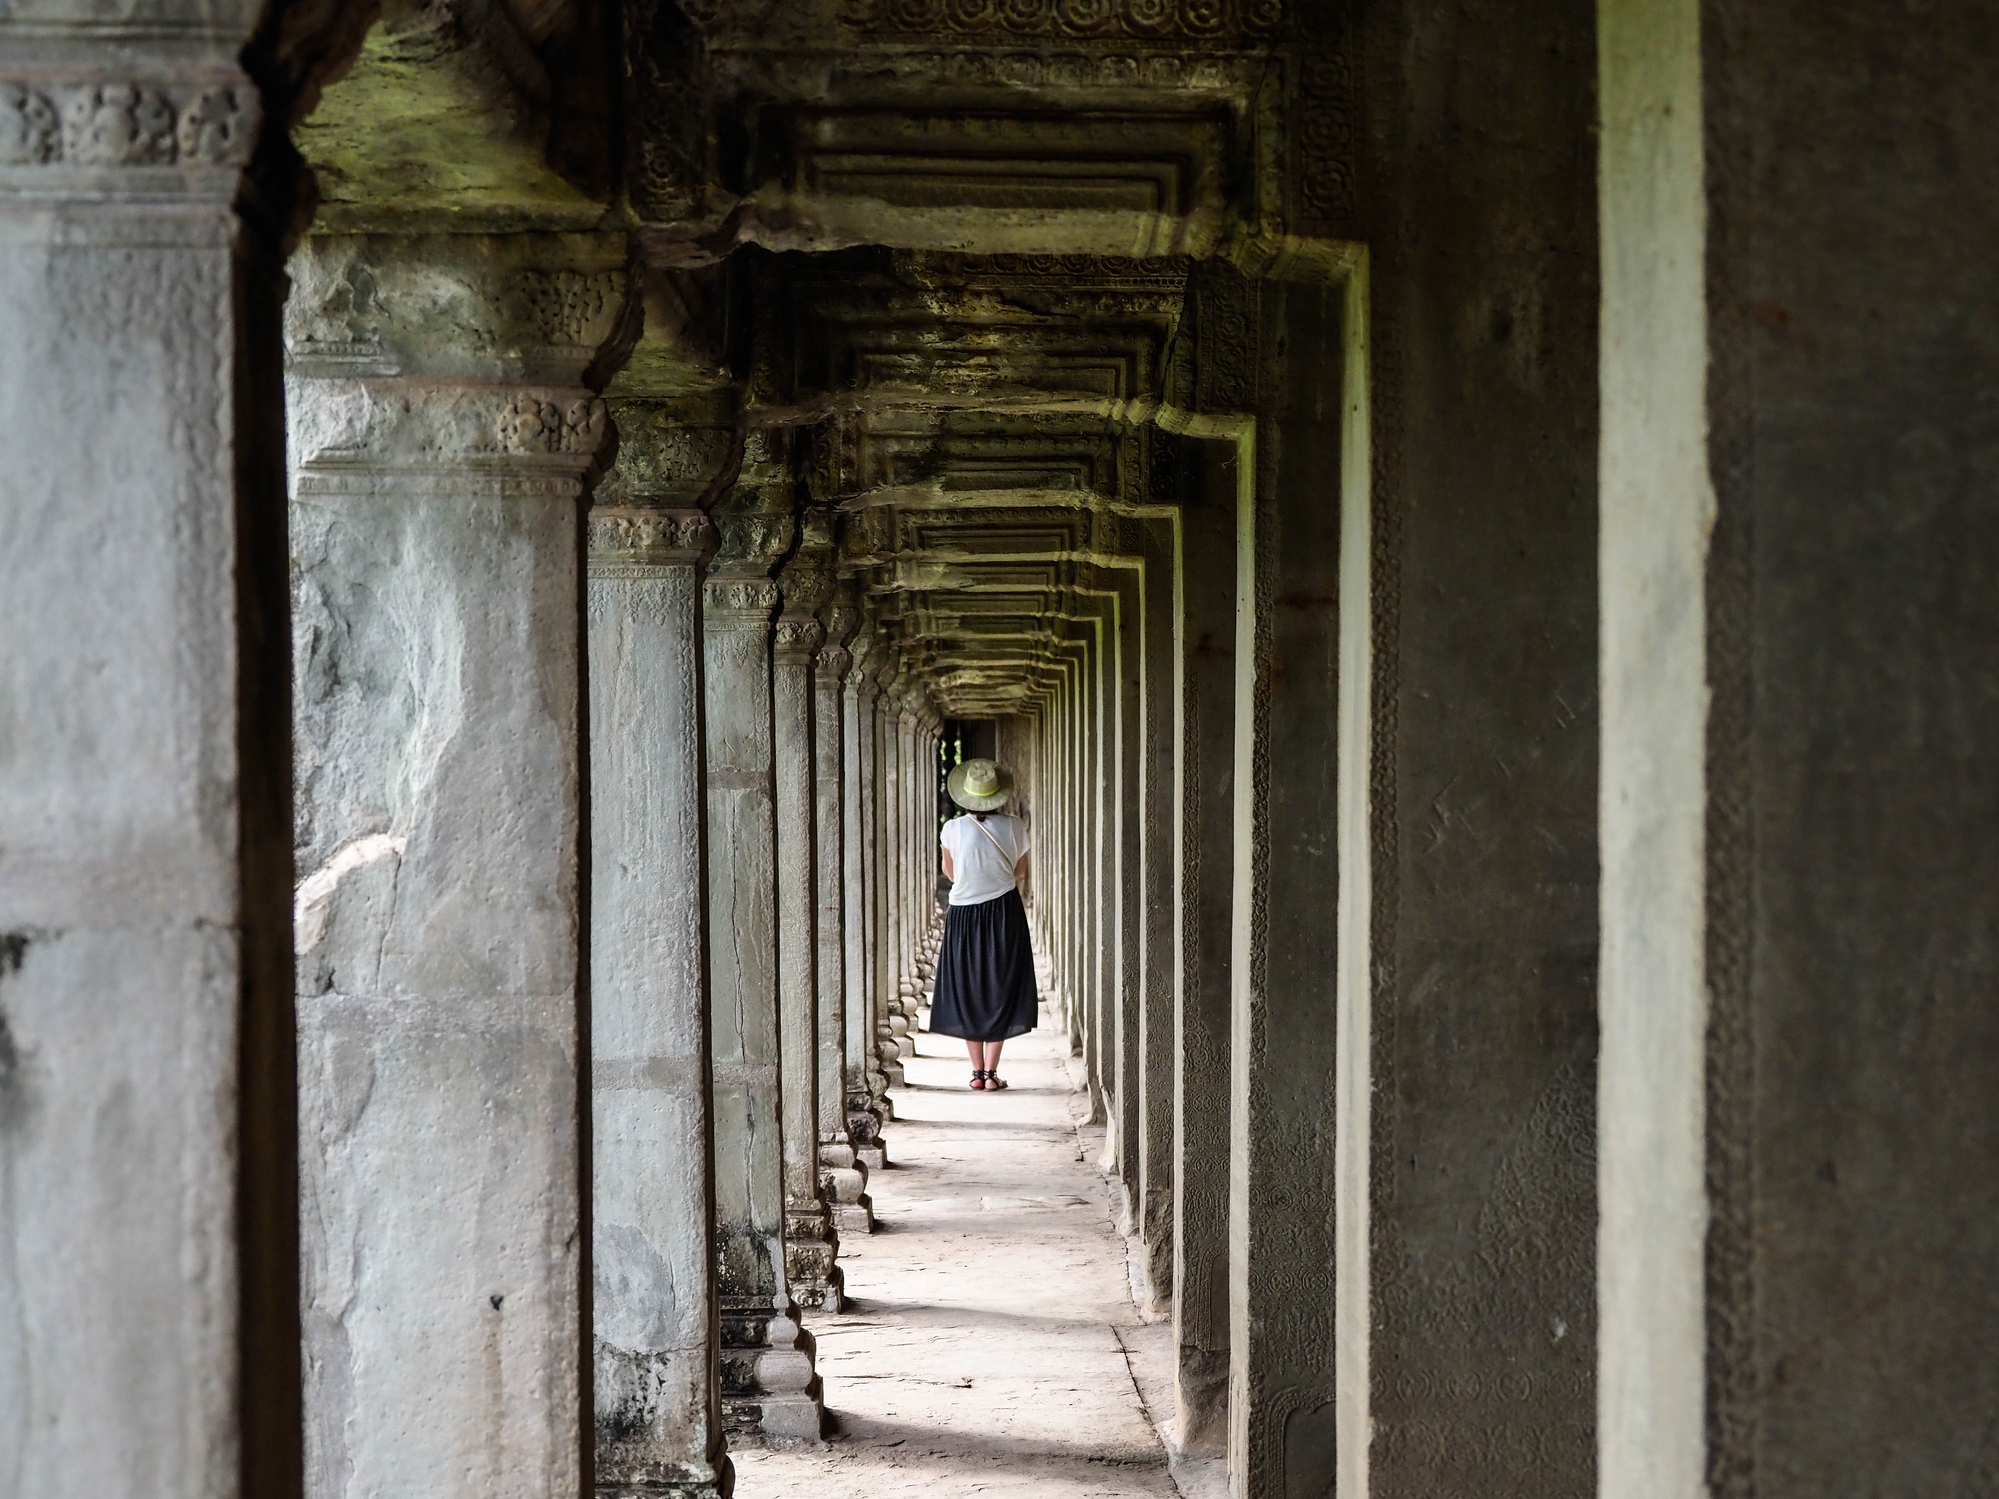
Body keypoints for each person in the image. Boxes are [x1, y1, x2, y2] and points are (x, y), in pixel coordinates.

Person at [930, 758, 1037, 1090]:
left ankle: (976, 1073)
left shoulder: (952, 829)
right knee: (1001, 984)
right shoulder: (1015, 826)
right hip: (1004, 909)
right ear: (997, 795)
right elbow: (1020, 872)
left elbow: (951, 874)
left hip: (963, 913)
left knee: (968, 986)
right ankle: (991, 1073)